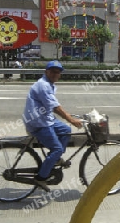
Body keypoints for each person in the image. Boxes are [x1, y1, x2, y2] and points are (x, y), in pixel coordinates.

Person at [22, 60, 82, 191]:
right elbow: (54, 107)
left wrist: (70, 119)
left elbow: (53, 106)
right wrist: (71, 119)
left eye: (58, 72)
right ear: (46, 72)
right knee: (57, 149)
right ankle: (41, 178)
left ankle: (54, 159)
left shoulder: (49, 84)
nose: (56, 74)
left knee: (66, 130)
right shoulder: (43, 85)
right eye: (53, 71)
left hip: (46, 119)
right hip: (38, 122)